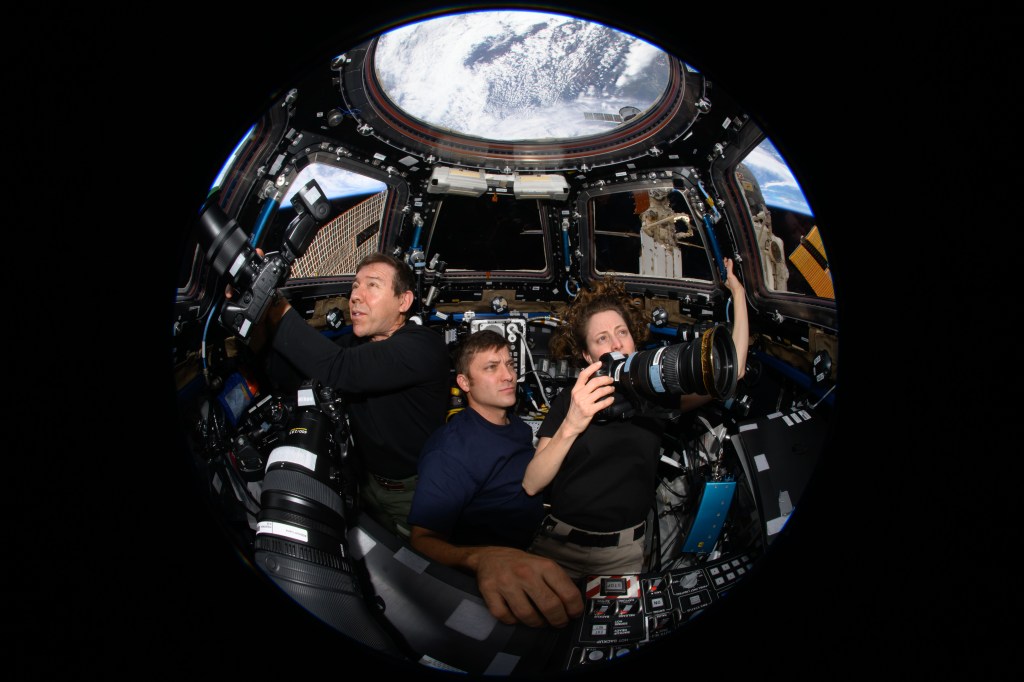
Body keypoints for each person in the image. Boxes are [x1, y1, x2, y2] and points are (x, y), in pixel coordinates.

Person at [522, 258, 748, 578]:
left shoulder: (657, 397)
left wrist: (737, 294)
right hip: (558, 546)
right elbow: (532, 484)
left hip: (623, 555)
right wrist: (572, 423)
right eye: (602, 339)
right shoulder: (570, 401)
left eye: (622, 333)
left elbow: (732, 371)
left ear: (633, 340)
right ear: (587, 356)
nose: (616, 343)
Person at [240, 252, 451, 537]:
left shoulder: (423, 346)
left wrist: (272, 298)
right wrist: (252, 305)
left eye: (372, 285)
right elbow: (286, 374)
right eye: (354, 286)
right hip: (365, 485)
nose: (355, 296)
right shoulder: (354, 345)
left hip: (416, 493)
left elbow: (339, 370)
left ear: (404, 301)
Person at [407, 329, 584, 628]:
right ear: (464, 383)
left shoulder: (513, 424)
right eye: (491, 367)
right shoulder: (451, 450)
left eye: (510, 364)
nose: (508, 376)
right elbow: (422, 541)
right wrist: (481, 560)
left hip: (531, 545)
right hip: (493, 574)